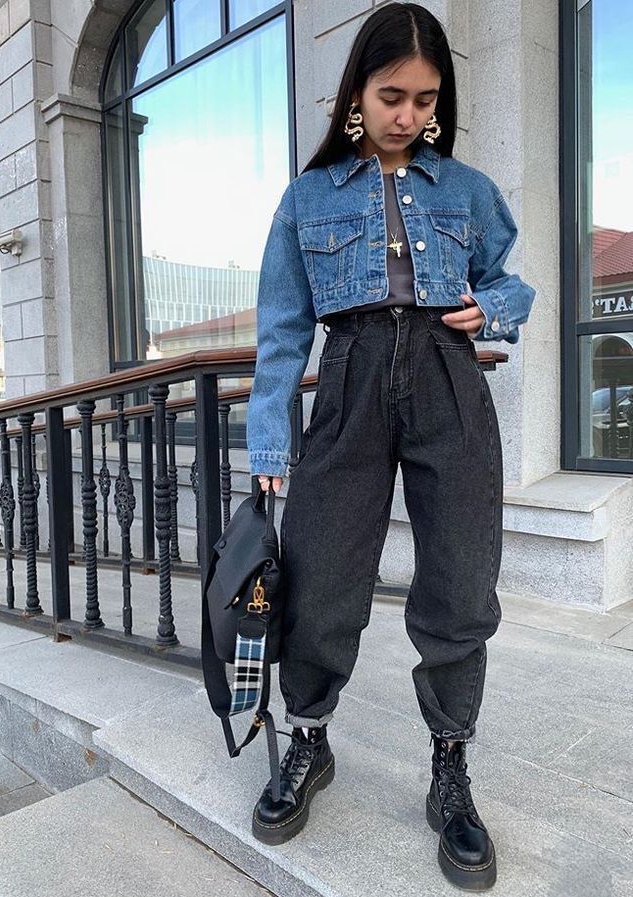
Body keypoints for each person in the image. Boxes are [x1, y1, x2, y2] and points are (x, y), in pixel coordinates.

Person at [245, 2, 535, 890]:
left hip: (450, 380)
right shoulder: (307, 198)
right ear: (355, 96)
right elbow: (282, 326)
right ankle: (309, 739)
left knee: (457, 574)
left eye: (423, 97)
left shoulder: (467, 189)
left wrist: (498, 307)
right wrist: (269, 433)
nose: (406, 113)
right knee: (323, 569)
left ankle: (449, 766)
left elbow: (508, 276)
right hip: (351, 375)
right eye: (390, 94)